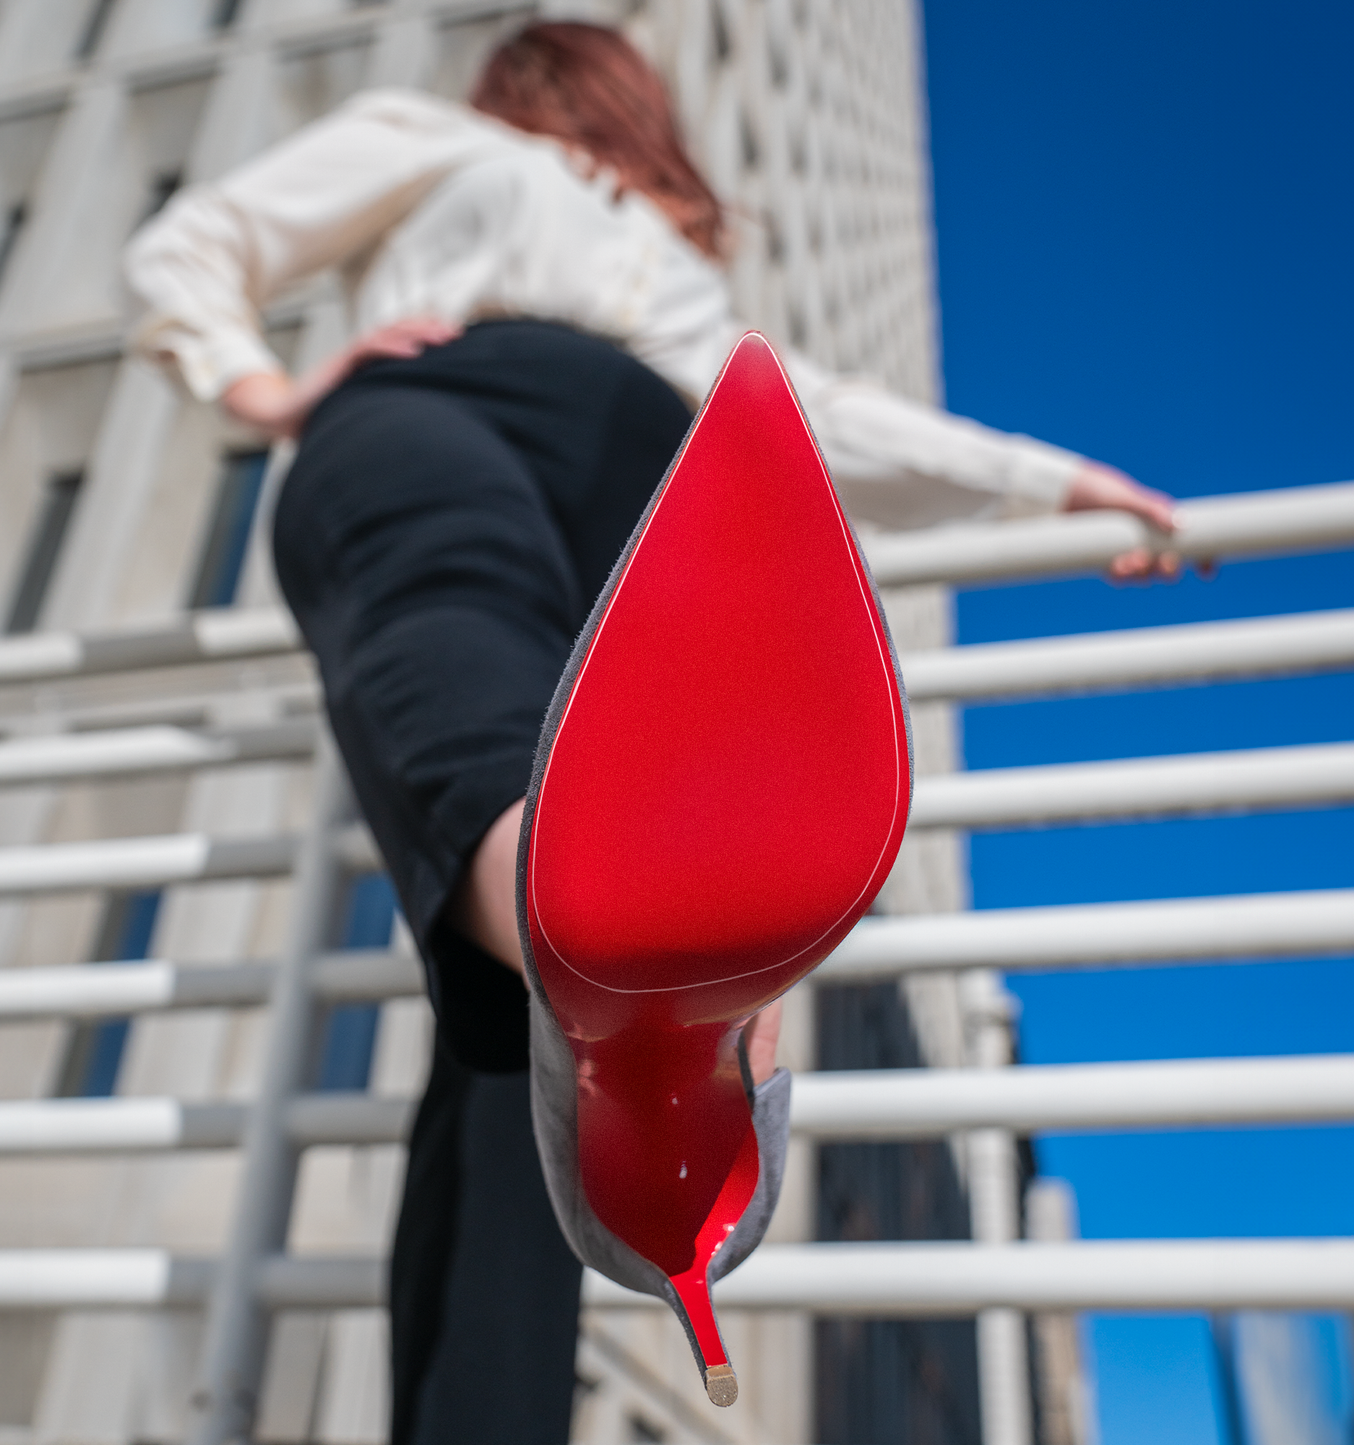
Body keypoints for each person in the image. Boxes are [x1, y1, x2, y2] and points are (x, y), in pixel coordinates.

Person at [124, 22, 1185, 1443]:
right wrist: (266, 388)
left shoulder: (692, 285)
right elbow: (199, 242)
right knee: (453, 628)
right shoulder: (444, 142)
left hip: (637, 503)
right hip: (440, 412)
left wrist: (1050, 483)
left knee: (510, 1038)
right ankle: (612, 933)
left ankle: (602, 976)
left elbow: (822, 414)